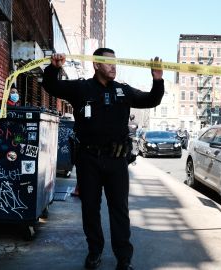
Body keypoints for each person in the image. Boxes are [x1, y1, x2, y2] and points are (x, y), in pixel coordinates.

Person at [42, 48, 164, 270]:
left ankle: (124, 258)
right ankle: (94, 252)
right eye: (108, 63)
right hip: (88, 159)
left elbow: (151, 100)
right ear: (96, 65)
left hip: (117, 160)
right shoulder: (82, 88)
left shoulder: (123, 91)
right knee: (90, 208)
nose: (113, 67)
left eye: (115, 63)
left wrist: (157, 80)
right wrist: (54, 69)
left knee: (120, 210)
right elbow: (50, 86)